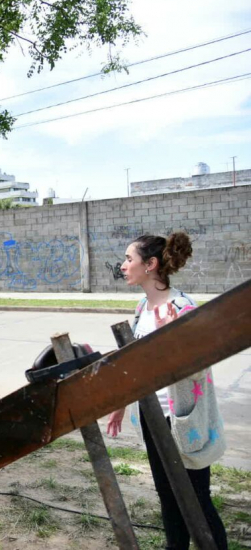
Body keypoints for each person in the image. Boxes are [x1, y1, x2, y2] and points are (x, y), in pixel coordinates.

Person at [106, 232, 228, 550]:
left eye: (128, 259)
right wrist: (120, 403)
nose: (123, 265)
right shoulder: (141, 308)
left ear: (151, 265)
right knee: (168, 497)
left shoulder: (183, 307)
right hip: (153, 419)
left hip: (183, 422)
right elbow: (137, 367)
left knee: (197, 499)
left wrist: (170, 344)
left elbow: (200, 370)